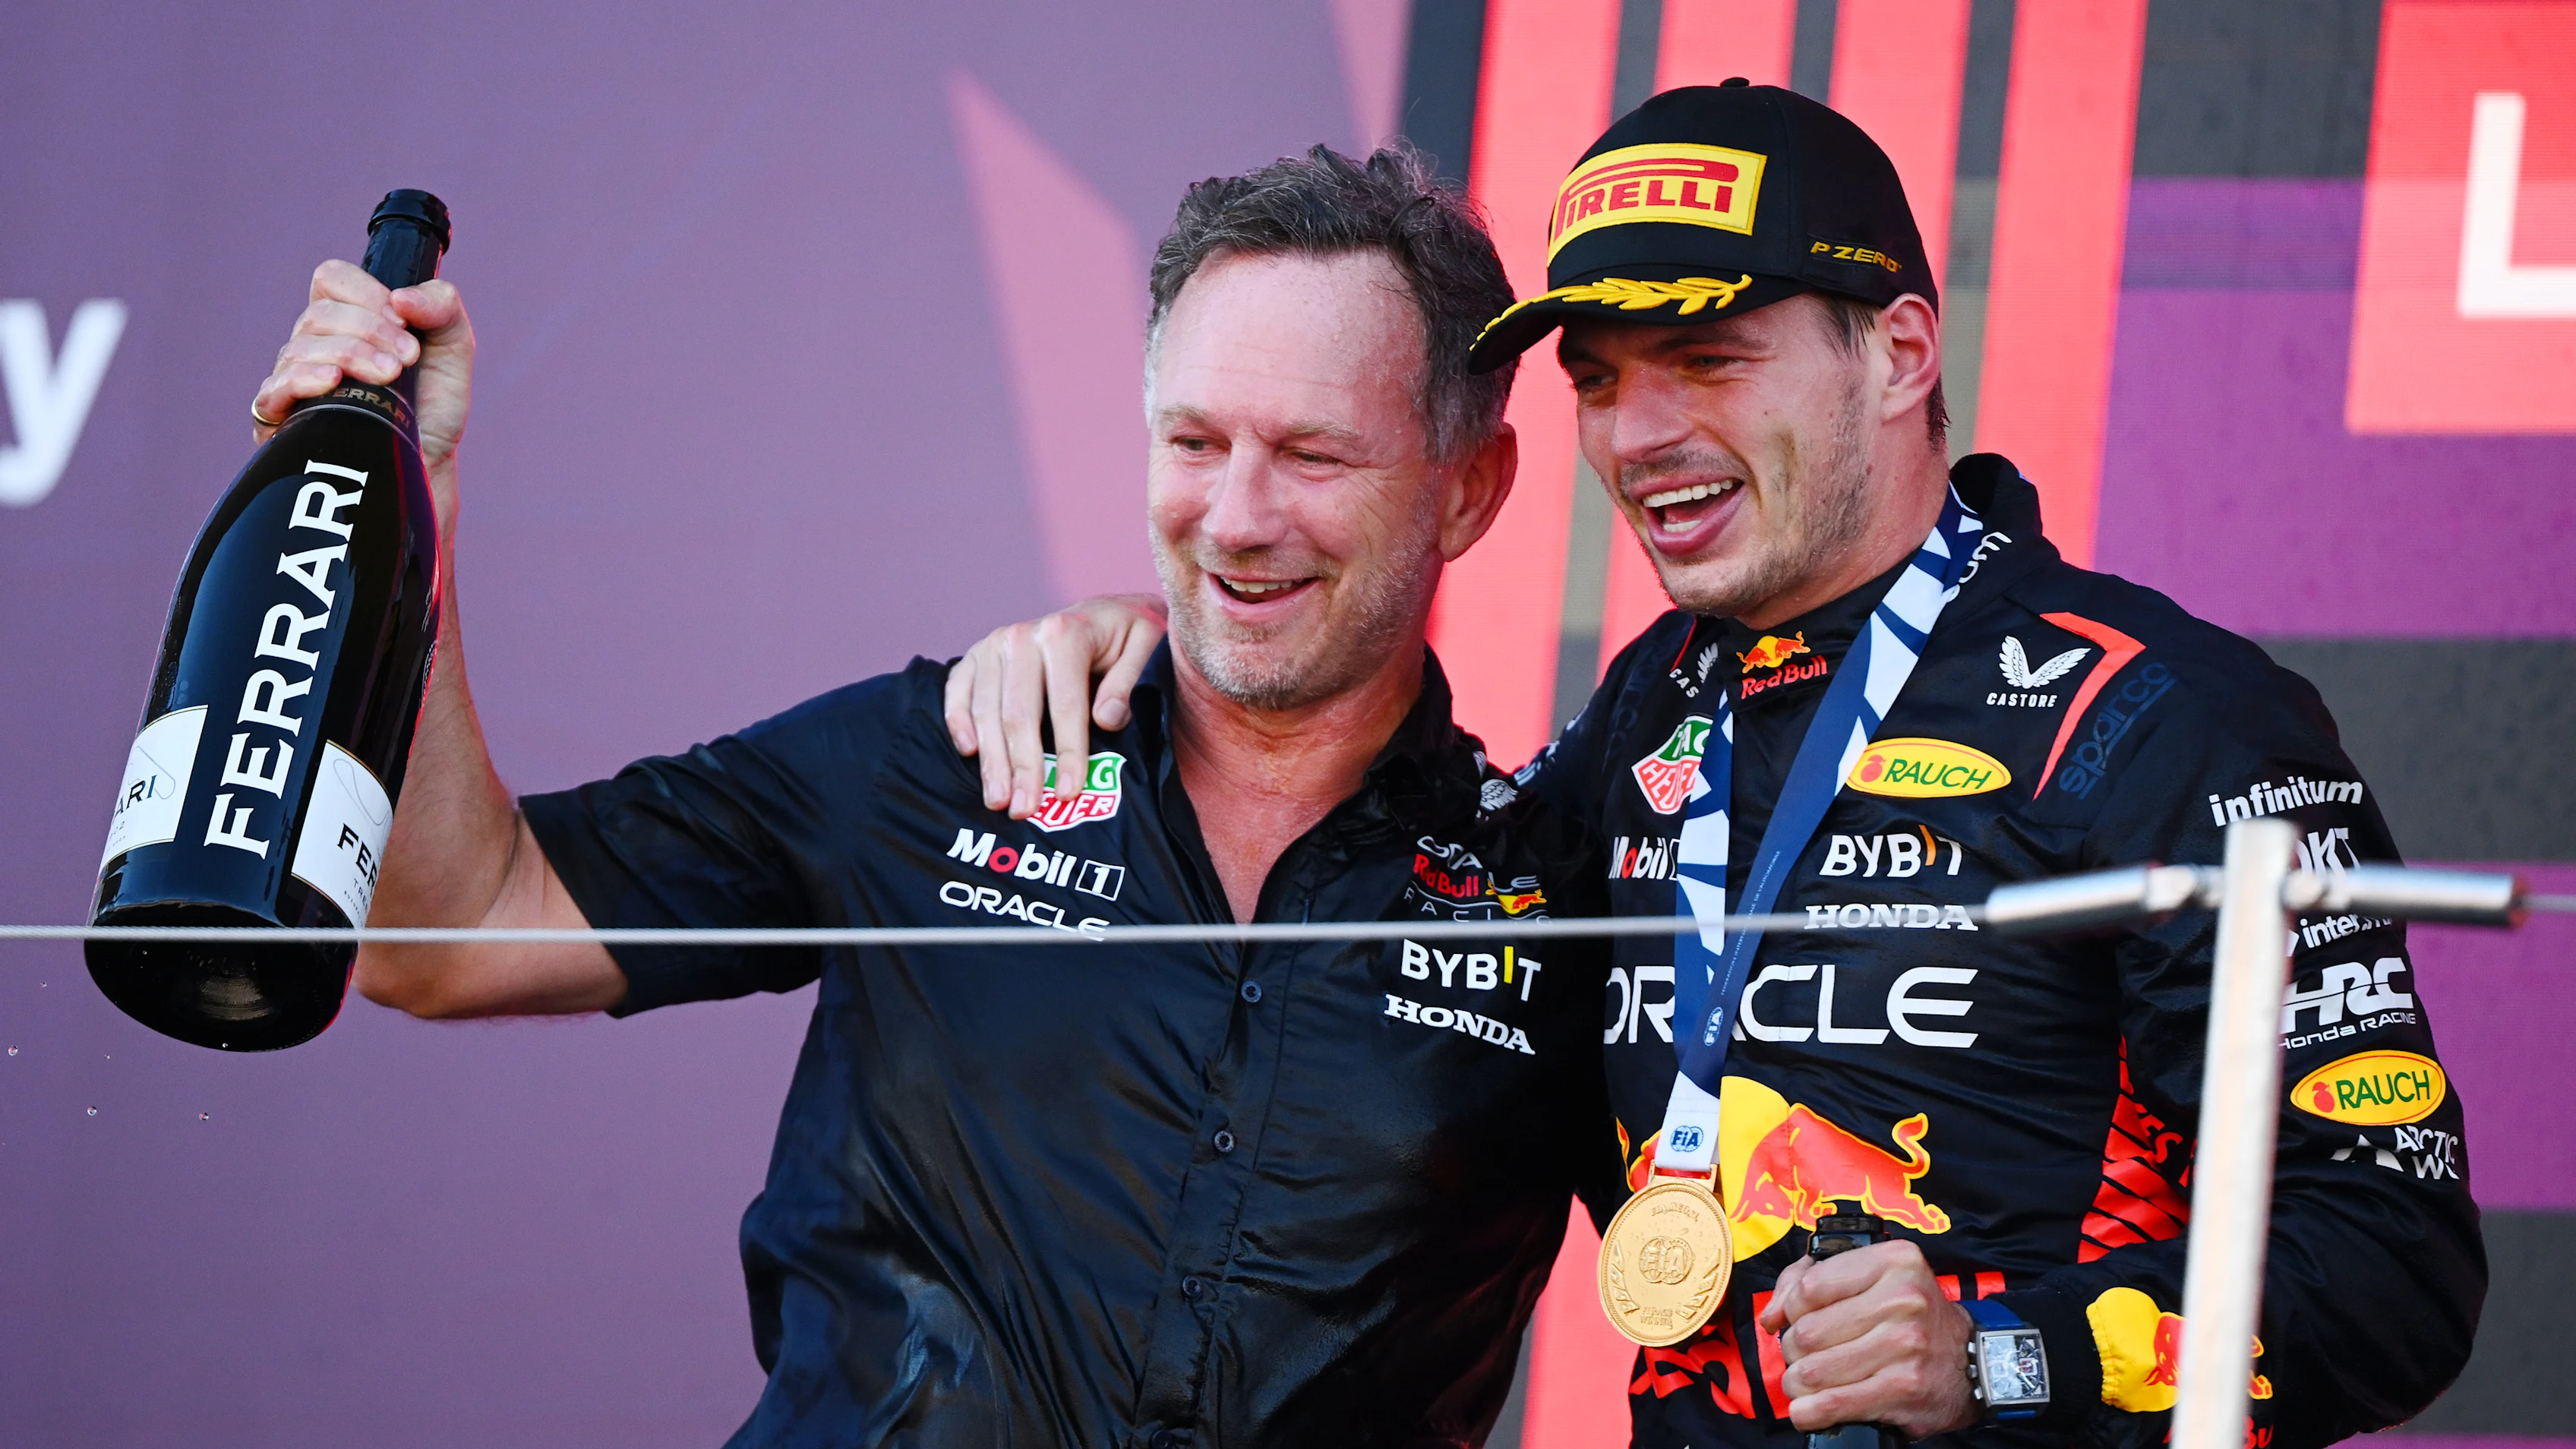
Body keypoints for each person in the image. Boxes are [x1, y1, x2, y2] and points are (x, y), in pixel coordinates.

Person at [946, 84, 2485, 1449]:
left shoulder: (2160, 719)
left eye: (1707, 357)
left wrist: (2000, 1356)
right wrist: (1152, 667)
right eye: (1601, 377)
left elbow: (2394, 1257)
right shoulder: (1645, 710)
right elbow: (1392, 898)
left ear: (1894, 351)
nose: (1640, 433)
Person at [250, 145, 1627, 1447]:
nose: (1237, 516)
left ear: (1471, 490)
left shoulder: (1567, 901)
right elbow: (444, 930)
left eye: (1315, 457)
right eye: (1194, 442)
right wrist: (406, 500)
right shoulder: (947, 753)